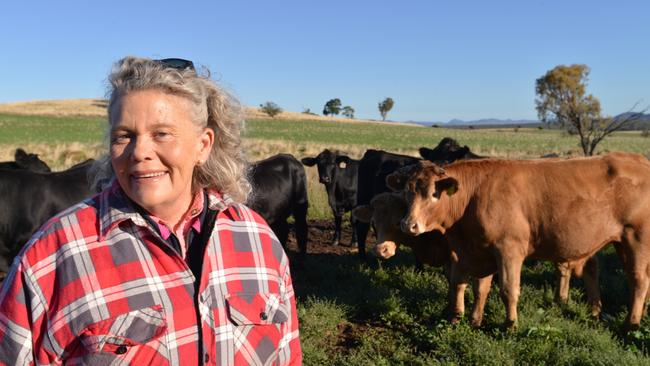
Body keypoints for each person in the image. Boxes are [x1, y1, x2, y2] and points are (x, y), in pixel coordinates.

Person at [0, 56, 302, 365]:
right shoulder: (50, 256)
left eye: (161, 133)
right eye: (124, 136)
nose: (140, 152)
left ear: (203, 144)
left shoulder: (259, 240)